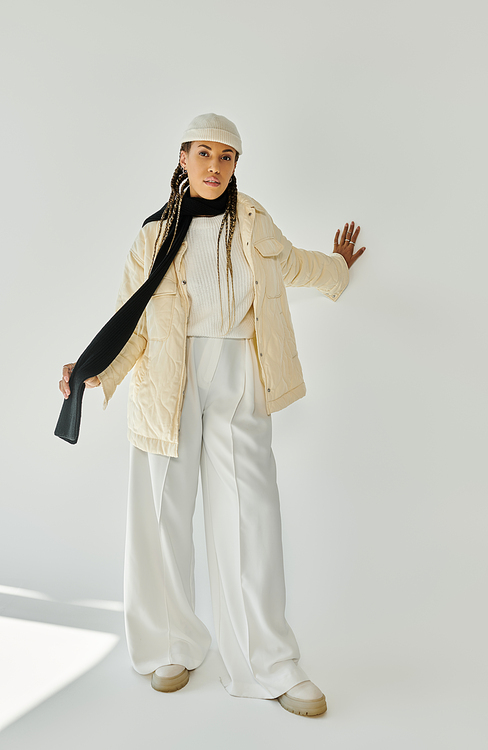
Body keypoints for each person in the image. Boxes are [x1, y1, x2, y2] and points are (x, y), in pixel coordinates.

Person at [58, 113, 365, 717]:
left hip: (238, 373)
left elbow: (293, 265)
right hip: (167, 379)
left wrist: (338, 270)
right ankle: (170, 644)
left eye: (226, 158)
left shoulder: (253, 222)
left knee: (252, 517)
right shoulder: (153, 235)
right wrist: (96, 371)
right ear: (182, 157)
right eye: (204, 154)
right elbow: (133, 320)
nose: (215, 167)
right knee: (163, 511)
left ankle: (269, 661)